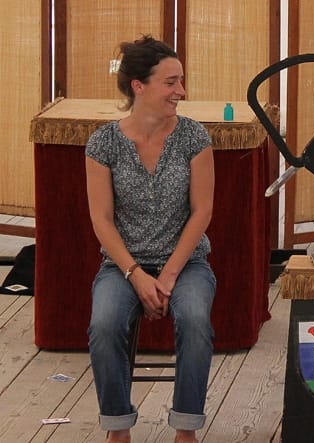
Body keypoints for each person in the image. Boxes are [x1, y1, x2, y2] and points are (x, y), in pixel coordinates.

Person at [85, 35, 216, 443]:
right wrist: (137, 275)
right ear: (138, 86)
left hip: (187, 262)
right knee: (103, 324)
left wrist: (171, 274)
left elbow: (202, 212)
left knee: (195, 319)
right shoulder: (103, 143)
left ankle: (186, 429)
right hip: (123, 265)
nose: (181, 91)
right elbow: (102, 220)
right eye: (171, 82)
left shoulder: (194, 137)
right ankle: (118, 429)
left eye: (181, 81)